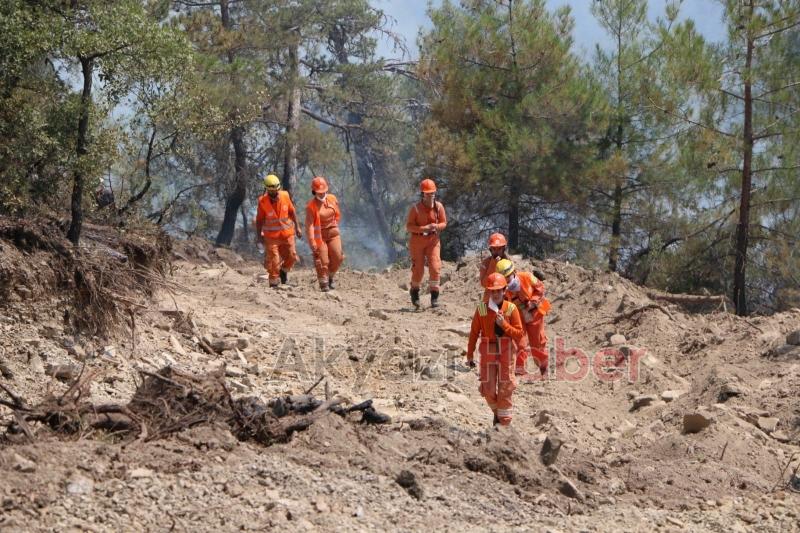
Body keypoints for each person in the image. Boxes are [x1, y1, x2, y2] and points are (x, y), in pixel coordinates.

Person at [466, 272, 525, 426]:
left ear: (504, 290)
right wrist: (470, 355)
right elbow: (474, 333)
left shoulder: (511, 308)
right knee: (488, 388)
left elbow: (519, 334)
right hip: (488, 350)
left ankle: (504, 425)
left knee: (505, 387)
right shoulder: (482, 309)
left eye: (499, 290)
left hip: (506, 350)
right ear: (489, 292)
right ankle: (497, 414)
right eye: (493, 290)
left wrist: (504, 325)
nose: (496, 293)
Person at [495, 258, 551, 378]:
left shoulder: (526, 276)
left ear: (513, 272)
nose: (506, 281)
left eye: (508, 277)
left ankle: (544, 368)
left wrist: (533, 302)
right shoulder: (502, 290)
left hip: (535, 313)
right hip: (518, 315)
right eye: (503, 279)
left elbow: (540, 288)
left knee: (538, 343)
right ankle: (520, 370)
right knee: (519, 342)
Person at [405, 178, 447, 308]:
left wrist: (437, 226)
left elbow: (444, 223)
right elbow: (409, 227)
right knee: (418, 270)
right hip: (417, 241)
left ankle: (434, 298)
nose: (431, 195)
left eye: (433, 193)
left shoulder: (439, 207)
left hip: (433, 240)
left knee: (435, 267)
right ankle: (415, 292)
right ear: (423, 194)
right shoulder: (415, 209)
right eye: (428, 193)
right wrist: (424, 228)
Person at [255, 174, 302, 288]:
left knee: (292, 256)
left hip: (287, 235)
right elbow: (259, 220)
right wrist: (259, 236)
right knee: (274, 261)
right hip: (271, 238)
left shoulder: (285, 195)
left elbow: (292, 212)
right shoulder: (262, 202)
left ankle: (284, 271)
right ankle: (273, 283)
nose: (275, 193)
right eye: (272, 192)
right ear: (267, 190)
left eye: (276, 190)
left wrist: (298, 227)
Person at [305, 176, 343, 292]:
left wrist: (335, 225)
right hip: (319, 237)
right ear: (314, 192)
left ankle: (330, 277)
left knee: (338, 257)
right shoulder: (311, 206)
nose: (322, 194)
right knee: (323, 261)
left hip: (333, 234)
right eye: (319, 193)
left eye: (324, 192)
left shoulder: (332, 199)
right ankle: (324, 283)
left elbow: (337, 214)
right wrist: (312, 242)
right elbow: (310, 226)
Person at [479, 232, 510, 298]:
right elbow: (484, 283)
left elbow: (512, 281)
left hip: (505, 299)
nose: (496, 252)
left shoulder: (509, 262)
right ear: (490, 250)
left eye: (499, 249)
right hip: (489, 298)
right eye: (494, 249)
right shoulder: (485, 263)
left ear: (503, 249)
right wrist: (493, 264)